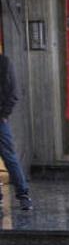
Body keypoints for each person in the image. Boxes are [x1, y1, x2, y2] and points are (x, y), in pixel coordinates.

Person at [0, 53, 33, 211]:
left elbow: (12, 92)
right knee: (10, 157)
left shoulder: (3, 62)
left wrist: (4, 114)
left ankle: (23, 195)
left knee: (10, 157)